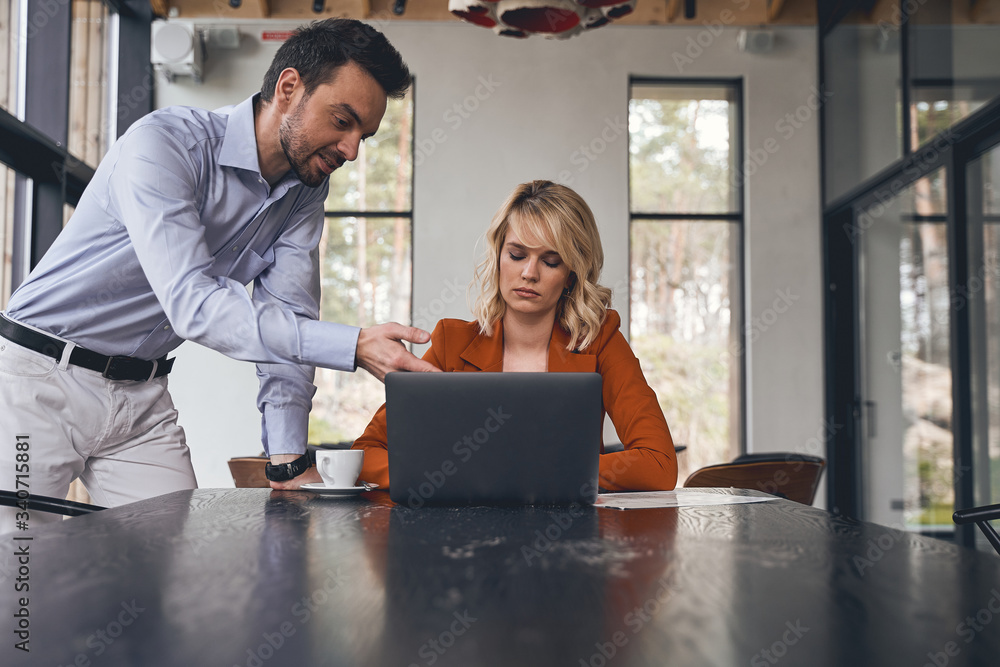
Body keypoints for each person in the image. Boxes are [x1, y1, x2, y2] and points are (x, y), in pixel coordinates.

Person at [0, 19, 438, 531]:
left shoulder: (304, 194)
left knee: (168, 570)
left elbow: (291, 320)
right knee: (16, 573)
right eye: (342, 120)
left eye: (364, 133)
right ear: (289, 87)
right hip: (37, 379)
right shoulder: (165, 146)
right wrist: (353, 344)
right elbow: (194, 305)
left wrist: (288, 461)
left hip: (141, 397)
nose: (352, 150)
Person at [353, 180, 677, 492]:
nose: (529, 273)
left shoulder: (599, 340)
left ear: (571, 275)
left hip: (568, 537)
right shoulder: (451, 343)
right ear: (498, 258)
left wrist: (539, 472)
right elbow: (366, 454)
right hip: (464, 536)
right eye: (517, 255)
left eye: (551, 261)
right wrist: (457, 474)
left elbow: (659, 464)